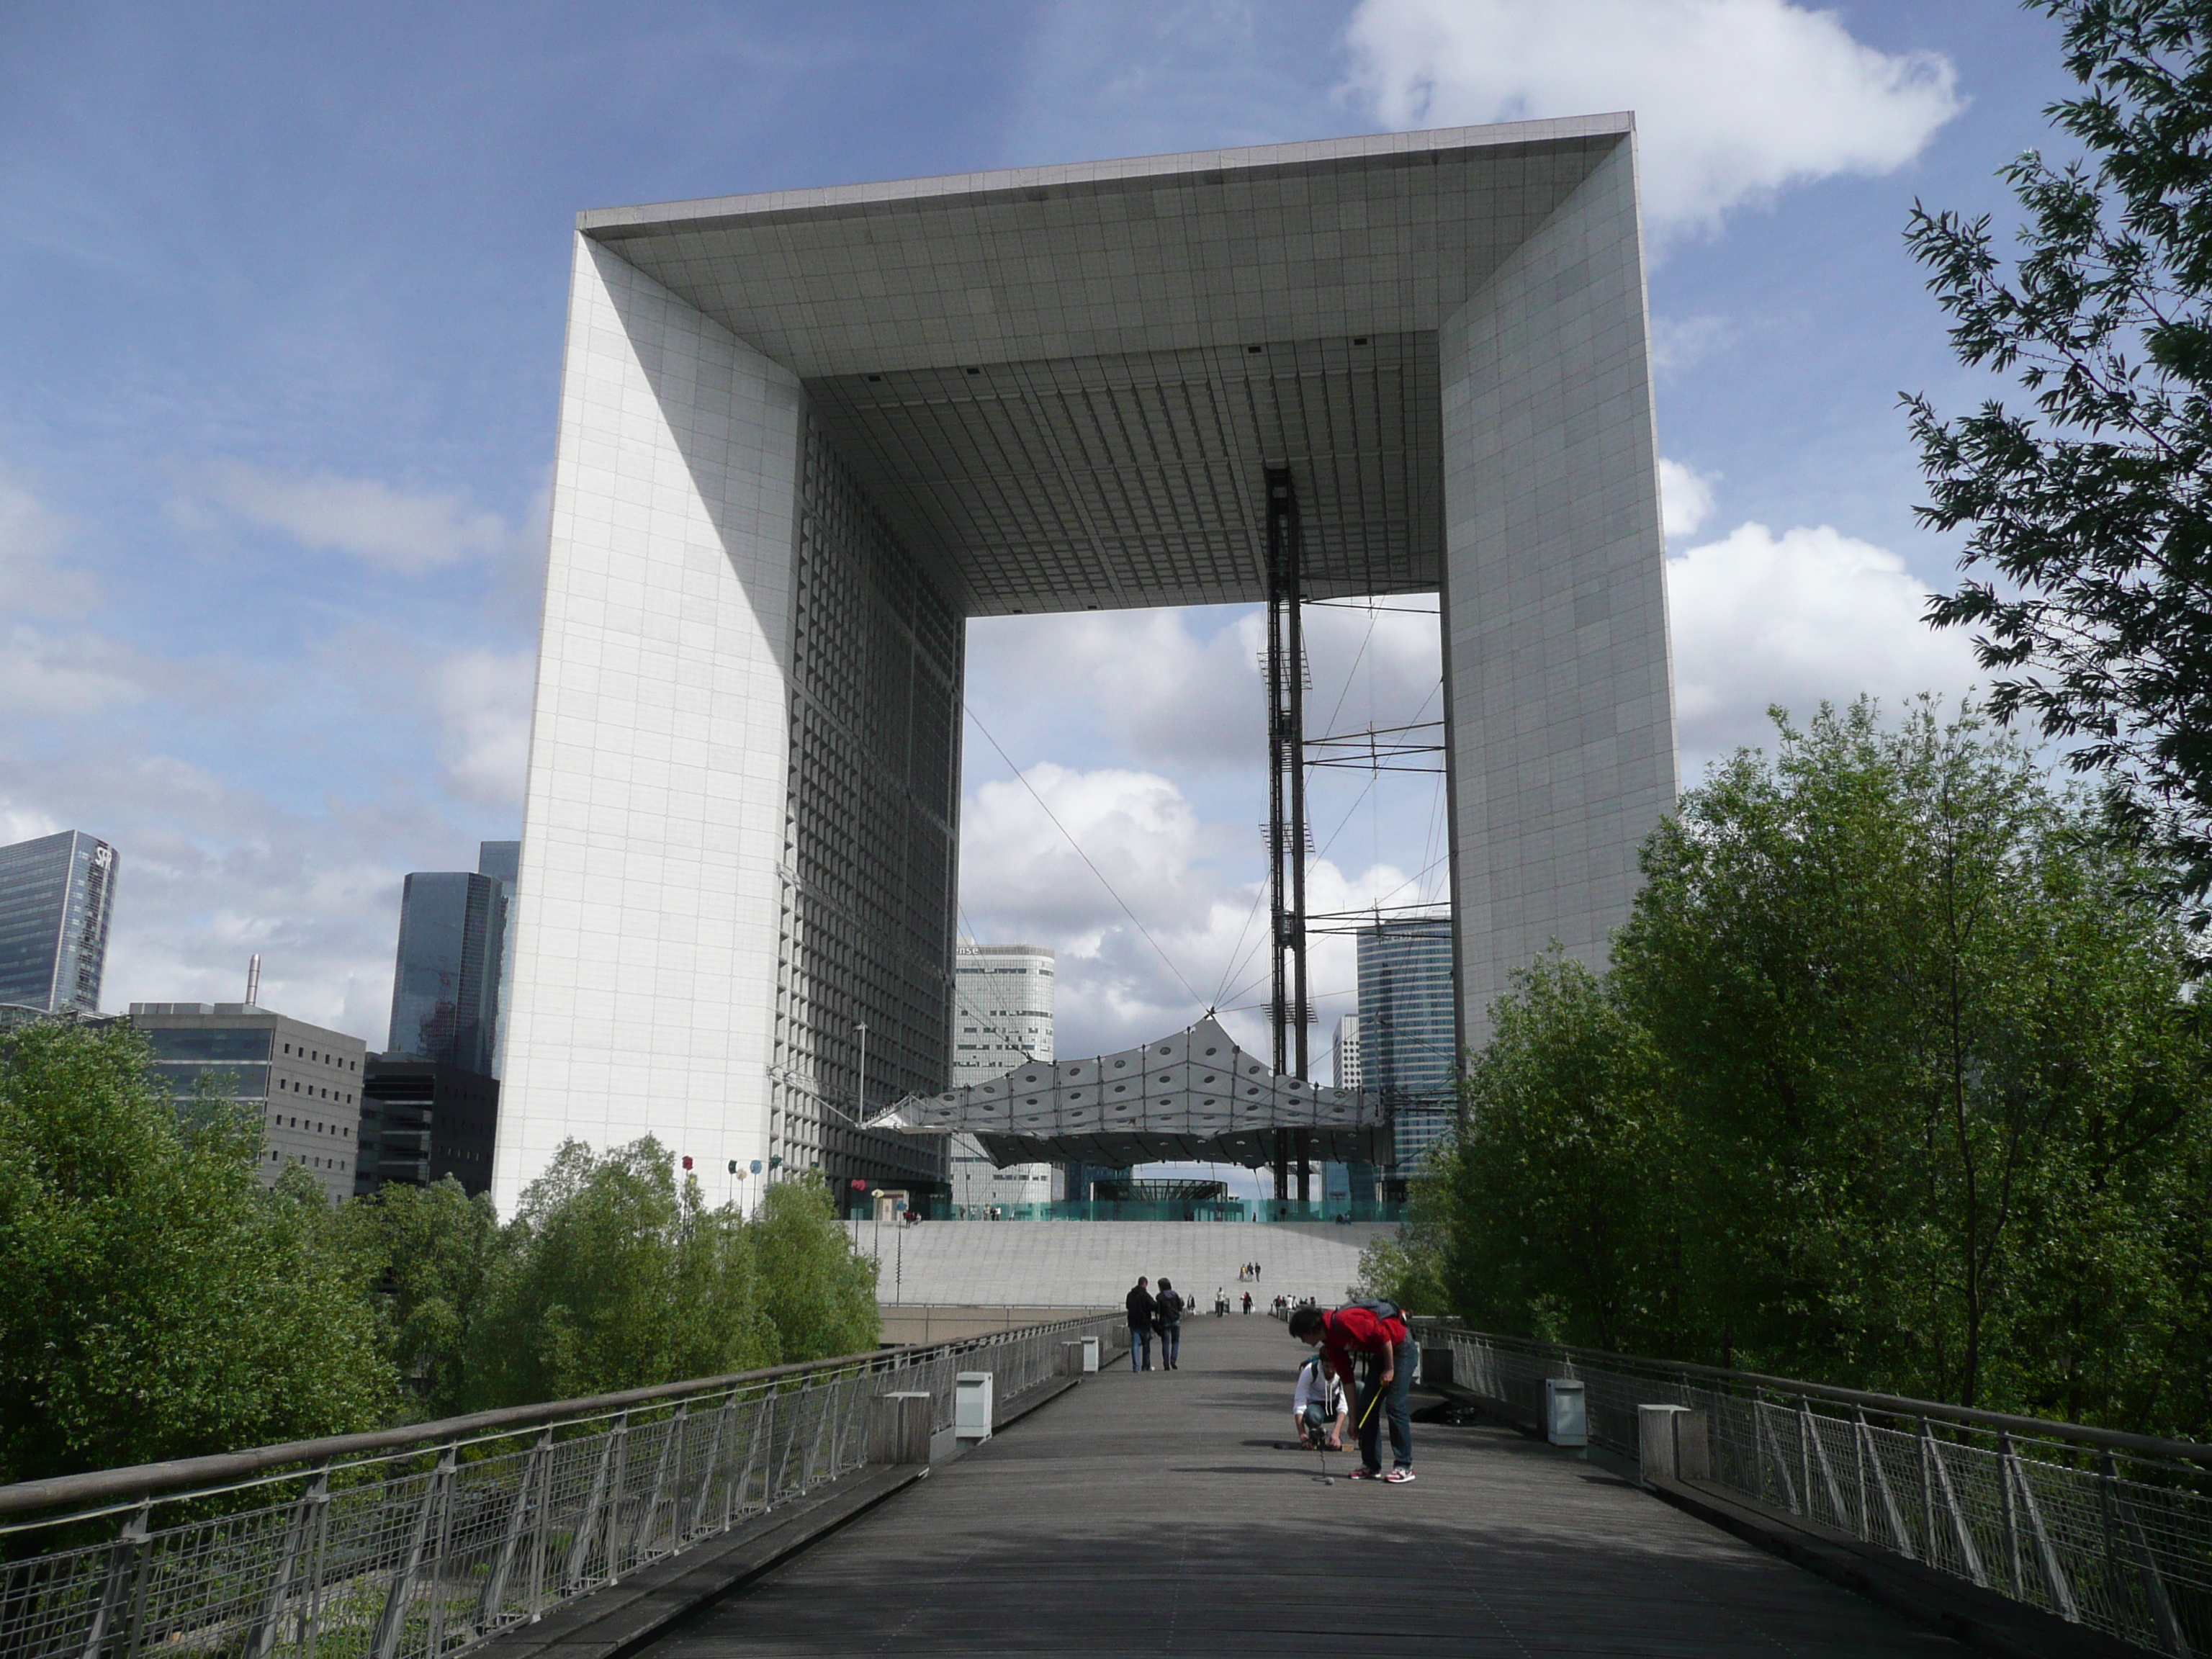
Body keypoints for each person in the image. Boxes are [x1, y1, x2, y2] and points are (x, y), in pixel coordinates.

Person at [1288, 1301, 1416, 1483]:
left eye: (1301, 1336)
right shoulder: (1330, 1342)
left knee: (1394, 1406)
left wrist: (1389, 1368)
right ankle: (1371, 1465)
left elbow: (1383, 1334)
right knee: (1365, 1407)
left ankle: (1404, 1465)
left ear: (1310, 1330)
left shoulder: (1342, 1321)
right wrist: (1353, 1420)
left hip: (1400, 1349)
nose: (1303, 1341)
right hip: (1381, 1354)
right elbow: (1347, 1380)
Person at [1292, 1350, 1347, 1450]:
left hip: (1334, 1404)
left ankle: (1361, 1433)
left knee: (1359, 1389)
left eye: (1333, 1367)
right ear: (1321, 1363)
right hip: (1316, 1406)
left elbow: (1344, 1404)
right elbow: (1299, 1403)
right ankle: (1314, 1433)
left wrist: (1336, 1434)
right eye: (1327, 1366)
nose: (1330, 1370)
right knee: (1312, 1415)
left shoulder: (1343, 1370)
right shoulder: (1310, 1370)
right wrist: (1302, 1435)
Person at [1125, 1275, 1156, 1372]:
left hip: (1133, 1323)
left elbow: (1127, 1306)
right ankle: (1145, 1366)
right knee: (1146, 1345)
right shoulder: (1146, 1295)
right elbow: (1154, 1305)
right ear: (1145, 1284)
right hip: (1144, 1323)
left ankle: (1136, 1367)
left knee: (1135, 1344)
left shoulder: (1130, 1294)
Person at [1155, 1277, 1184, 1370]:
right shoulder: (1175, 1294)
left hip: (1165, 1322)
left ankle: (1166, 1364)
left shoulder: (1159, 1296)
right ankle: (1173, 1360)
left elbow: (1158, 1311)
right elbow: (1180, 1308)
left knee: (1165, 1343)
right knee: (1175, 1342)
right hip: (1175, 1320)